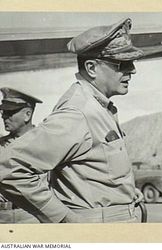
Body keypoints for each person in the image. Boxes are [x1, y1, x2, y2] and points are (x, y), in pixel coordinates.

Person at [0, 18, 144, 223]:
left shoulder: (99, 107)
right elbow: (9, 168)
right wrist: (64, 219)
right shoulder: (78, 113)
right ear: (92, 68)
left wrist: (125, 194)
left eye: (131, 62)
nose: (132, 70)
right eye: (122, 64)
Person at [0, 87, 42, 223]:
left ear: (27, 114)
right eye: (3, 112)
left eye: (9, 112)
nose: (3, 116)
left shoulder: (44, 143)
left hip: (35, 218)